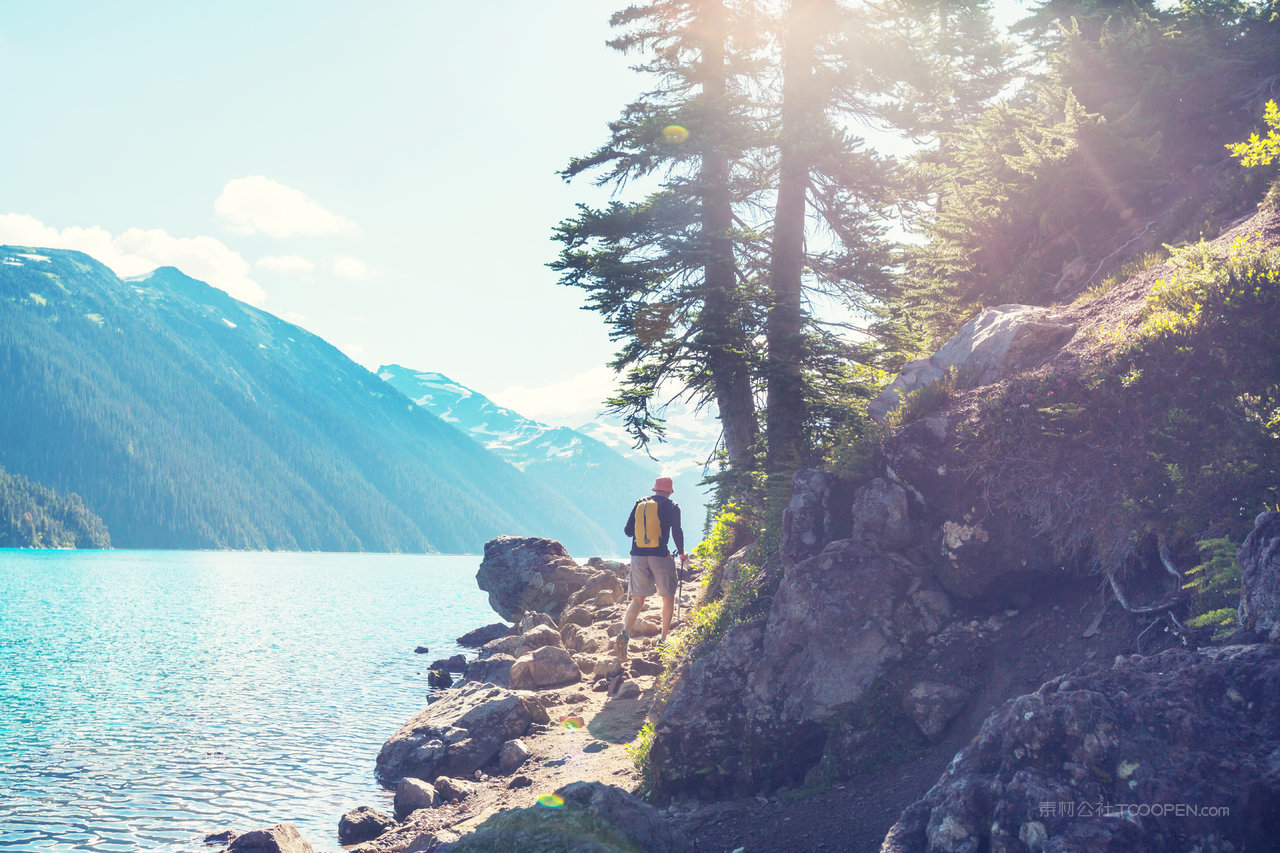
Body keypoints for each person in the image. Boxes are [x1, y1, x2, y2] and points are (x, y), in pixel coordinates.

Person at [617, 475, 685, 658]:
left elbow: (627, 531)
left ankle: (624, 635)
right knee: (667, 597)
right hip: (660, 556)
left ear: (654, 489)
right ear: (670, 491)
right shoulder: (672, 506)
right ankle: (663, 640)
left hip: (638, 557)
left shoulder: (640, 503)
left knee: (637, 601)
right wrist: (681, 552)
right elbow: (677, 530)